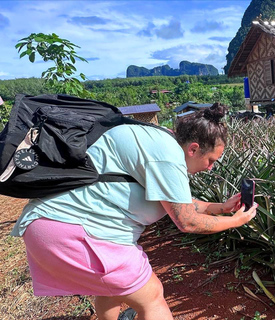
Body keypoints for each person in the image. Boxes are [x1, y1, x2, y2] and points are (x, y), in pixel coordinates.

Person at [10, 102, 257, 320]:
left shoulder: (160, 141)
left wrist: (220, 208)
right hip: (77, 233)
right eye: (210, 161)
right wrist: (236, 220)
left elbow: (179, 202)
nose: (210, 168)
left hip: (52, 226)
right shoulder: (167, 156)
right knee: (152, 299)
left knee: (112, 289)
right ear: (193, 149)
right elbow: (187, 222)